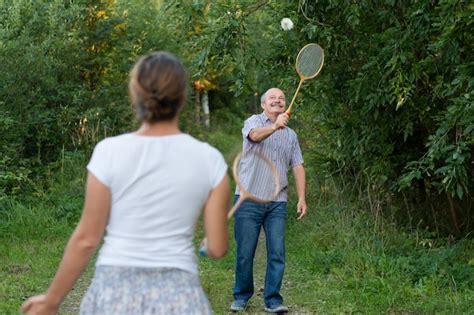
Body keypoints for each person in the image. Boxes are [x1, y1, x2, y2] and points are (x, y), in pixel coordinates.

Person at [21, 51, 230, 315]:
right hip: (180, 295)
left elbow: (86, 239)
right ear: (183, 97)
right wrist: (208, 246)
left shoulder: (109, 151)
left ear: (136, 95)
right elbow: (218, 248)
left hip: (113, 291)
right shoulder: (210, 160)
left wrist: (51, 300)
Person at [230, 87, 307, 313]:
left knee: (277, 252)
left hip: (277, 201)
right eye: (272, 98)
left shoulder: (291, 135)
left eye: (281, 98)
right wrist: (275, 125)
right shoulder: (252, 122)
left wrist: (302, 197)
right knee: (245, 251)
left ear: (285, 105)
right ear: (263, 104)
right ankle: (241, 296)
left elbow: (298, 166)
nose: (278, 100)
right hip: (249, 198)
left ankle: (273, 300)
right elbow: (254, 136)